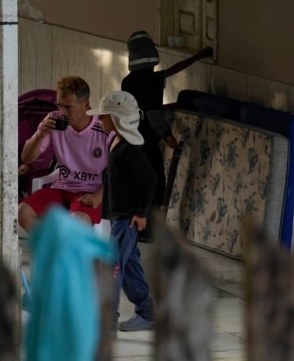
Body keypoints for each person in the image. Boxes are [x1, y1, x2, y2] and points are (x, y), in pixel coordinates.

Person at [120, 31, 212, 237]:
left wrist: (173, 106)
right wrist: (167, 135)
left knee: (139, 181)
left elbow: (140, 107)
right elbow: (153, 112)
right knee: (155, 182)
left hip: (130, 139)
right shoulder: (152, 80)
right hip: (147, 140)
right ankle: (148, 229)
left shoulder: (127, 82)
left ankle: (136, 227)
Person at [86, 90, 157, 333]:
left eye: (104, 117)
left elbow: (149, 180)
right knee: (129, 266)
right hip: (117, 216)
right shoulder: (116, 140)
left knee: (112, 266)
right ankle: (147, 312)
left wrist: (141, 213)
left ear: (117, 119)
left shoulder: (131, 149)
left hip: (126, 219)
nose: (100, 121)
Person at [19, 76, 109, 232]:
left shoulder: (103, 126)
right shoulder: (53, 119)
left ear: (86, 104)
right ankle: (52, 249)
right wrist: (41, 134)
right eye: (59, 106)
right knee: (22, 212)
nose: (63, 112)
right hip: (62, 188)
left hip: (91, 192)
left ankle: (63, 251)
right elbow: (26, 158)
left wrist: (99, 196)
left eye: (68, 107)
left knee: (77, 223)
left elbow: (122, 173)